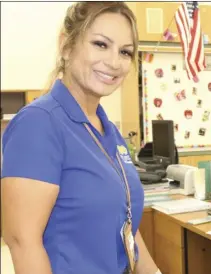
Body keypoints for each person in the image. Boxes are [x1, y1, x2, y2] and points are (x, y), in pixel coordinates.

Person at [1, 2, 161, 274]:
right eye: (100, 44)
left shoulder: (107, 129)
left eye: (124, 52)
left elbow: (127, 225)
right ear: (66, 46)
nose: (113, 62)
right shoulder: (39, 124)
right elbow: (22, 241)